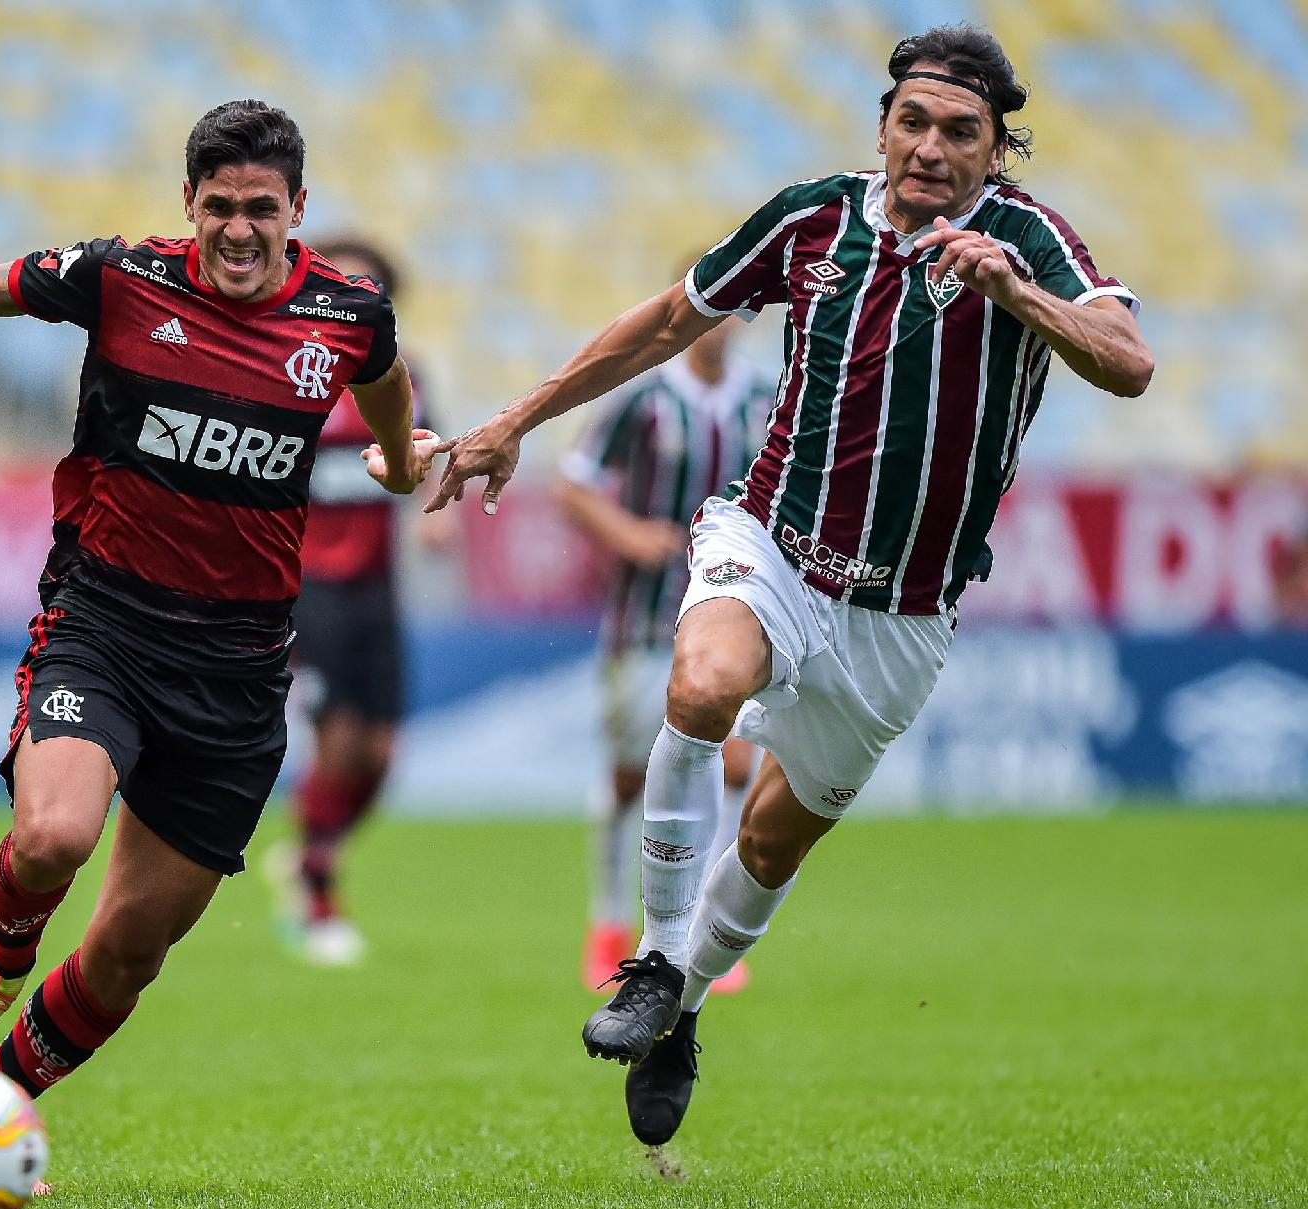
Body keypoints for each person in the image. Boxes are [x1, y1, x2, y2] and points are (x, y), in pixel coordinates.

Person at [430, 24, 1151, 1147]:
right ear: (882, 127)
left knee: (772, 845)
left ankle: (683, 1008)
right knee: (704, 689)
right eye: (911, 121)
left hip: (903, 613)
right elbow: (672, 319)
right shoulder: (812, 216)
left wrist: (1017, 295)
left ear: (996, 151)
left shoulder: (1030, 241)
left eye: (961, 132)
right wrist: (514, 420)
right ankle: (654, 968)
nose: (929, 147)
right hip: (773, 541)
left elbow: (1129, 363)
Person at [0, 101, 434, 1098]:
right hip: (106, 625)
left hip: (239, 670)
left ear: (297, 209)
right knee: (53, 835)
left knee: (127, 951)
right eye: (218, 205)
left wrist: (400, 461)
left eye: (261, 209)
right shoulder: (122, 280)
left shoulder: (346, 314)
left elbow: (387, 377)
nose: (237, 228)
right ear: (189, 201)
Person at [557, 317, 770, 990]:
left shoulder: (766, 400)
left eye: (736, 312)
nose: (722, 327)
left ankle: (704, 934)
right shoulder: (647, 401)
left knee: (735, 768)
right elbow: (574, 482)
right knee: (631, 779)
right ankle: (608, 925)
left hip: (735, 618)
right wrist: (625, 533)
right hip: (646, 621)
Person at [273, 235, 443, 966]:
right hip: (309, 586)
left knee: (379, 757)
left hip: (378, 587)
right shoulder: (286, 371)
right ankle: (315, 890)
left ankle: (313, 848)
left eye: (370, 287)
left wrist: (446, 508)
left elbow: (431, 451)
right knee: (338, 742)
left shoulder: (404, 376)